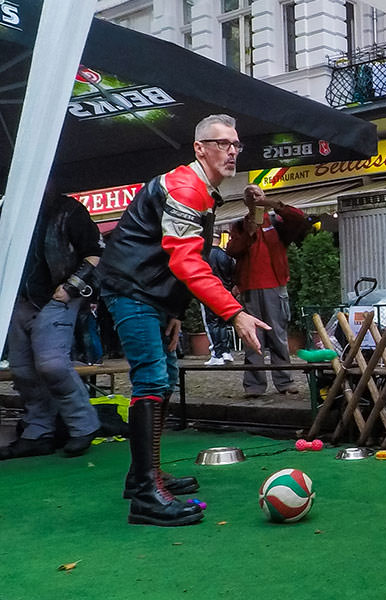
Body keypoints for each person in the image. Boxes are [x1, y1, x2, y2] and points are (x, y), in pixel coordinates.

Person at [99, 114, 270, 527]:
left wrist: (174, 311)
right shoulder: (185, 187)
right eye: (222, 143)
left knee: (165, 378)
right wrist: (235, 312)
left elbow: (176, 258)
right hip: (130, 289)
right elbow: (187, 263)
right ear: (200, 148)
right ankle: (145, 495)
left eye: (236, 144)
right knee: (152, 379)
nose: (232, 151)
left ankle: (145, 476)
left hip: (149, 293)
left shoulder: (203, 191)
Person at [0, 186, 103, 460]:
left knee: (52, 364)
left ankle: (83, 425)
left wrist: (71, 286)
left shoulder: (69, 210)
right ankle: (39, 431)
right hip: (21, 297)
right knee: (22, 368)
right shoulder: (10, 211)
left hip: (57, 295)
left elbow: (95, 251)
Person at [226, 184, 310, 397]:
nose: (254, 197)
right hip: (249, 288)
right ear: (245, 201)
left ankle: (285, 382)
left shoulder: (277, 222)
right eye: (249, 195)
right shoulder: (239, 225)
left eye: (257, 193)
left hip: (275, 286)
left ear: (263, 196)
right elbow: (232, 250)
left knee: (277, 336)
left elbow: (300, 219)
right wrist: (249, 233)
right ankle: (254, 386)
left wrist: (272, 204)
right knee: (252, 338)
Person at [202, 231, 237, 366]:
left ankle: (217, 353)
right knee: (223, 322)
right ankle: (226, 351)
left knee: (211, 323)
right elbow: (233, 272)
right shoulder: (226, 255)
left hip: (209, 291)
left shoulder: (205, 255)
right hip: (225, 291)